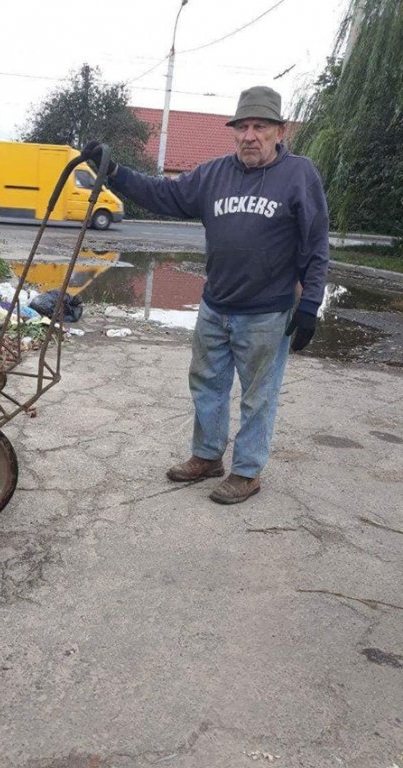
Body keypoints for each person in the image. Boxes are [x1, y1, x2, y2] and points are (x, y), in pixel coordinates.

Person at [82, 85, 329, 505]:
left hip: (267, 313)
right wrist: (116, 172)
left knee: (258, 396)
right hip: (215, 306)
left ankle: (247, 471)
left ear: (279, 131)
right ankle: (208, 456)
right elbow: (165, 194)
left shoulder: (299, 174)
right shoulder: (214, 174)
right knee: (207, 385)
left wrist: (310, 305)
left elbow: (315, 243)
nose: (250, 136)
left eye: (260, 127)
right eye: (243, 127)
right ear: (233, 131)